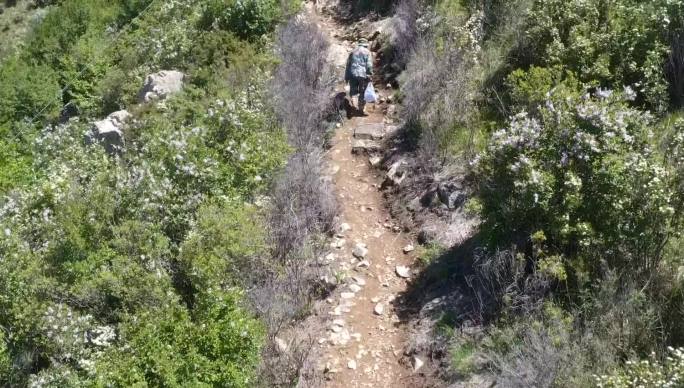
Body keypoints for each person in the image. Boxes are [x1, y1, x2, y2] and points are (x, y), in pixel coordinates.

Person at [345, 38, 373, 116]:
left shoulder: (352, 52)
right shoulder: (367, 52)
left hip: (352, 74)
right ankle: (361, 109)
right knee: (362, 92)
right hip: (363, 75)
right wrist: (370, 74)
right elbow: (369, 65)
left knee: (353, 91)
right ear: (365, 45)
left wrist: (346, 77)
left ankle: (354, 105)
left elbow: (348, 65)